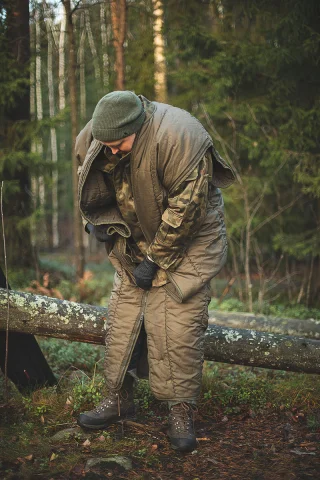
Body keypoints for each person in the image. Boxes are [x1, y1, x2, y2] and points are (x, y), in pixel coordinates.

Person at [76, 91, 234, 452]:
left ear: (137, 125)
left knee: (178, 325)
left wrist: (155, 261)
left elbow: (186, 211)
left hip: (190, 240)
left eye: (119, 145)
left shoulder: (181, 136)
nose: (112, 151)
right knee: (123, 319)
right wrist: (99, 222)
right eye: (107, 146)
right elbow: (89, 183)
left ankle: (180, 412)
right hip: (136, 240)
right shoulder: (97, 136)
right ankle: (117, 398)